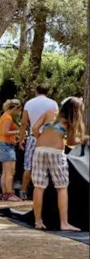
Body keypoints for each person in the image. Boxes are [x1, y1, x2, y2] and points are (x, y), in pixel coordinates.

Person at [30, 97, 85, 231]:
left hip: (39, 149)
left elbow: (34, 128)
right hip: (55, 152)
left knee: (38, 186)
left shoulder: (50, 112)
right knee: (61, 186)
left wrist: (41, 139)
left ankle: (38, 222)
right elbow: (71, 142)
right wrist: (82, 140)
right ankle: (64, 223)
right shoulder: (70, 121)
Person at [18, 84, 59, 198]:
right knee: (48, 166)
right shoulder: (53, 104)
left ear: (36, 91)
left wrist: (21, 139)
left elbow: (23, 123)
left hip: (33, 137)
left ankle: (23, 191)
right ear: (47, 92)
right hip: (48, 137)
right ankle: (47, 192)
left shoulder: (29, 103)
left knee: (28, 166)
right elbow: (56, 121)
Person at [0, 99, 22, 201]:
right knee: (10, 172)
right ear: (15, 108)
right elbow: (5, 132)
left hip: (4, 145)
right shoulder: (7, 118)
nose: (19, 113)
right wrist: (18, 131)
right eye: (19, 110)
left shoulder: (4, 116)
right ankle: (9, 193)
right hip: (7, 146)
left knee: (5, 172)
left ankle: (5, 194)